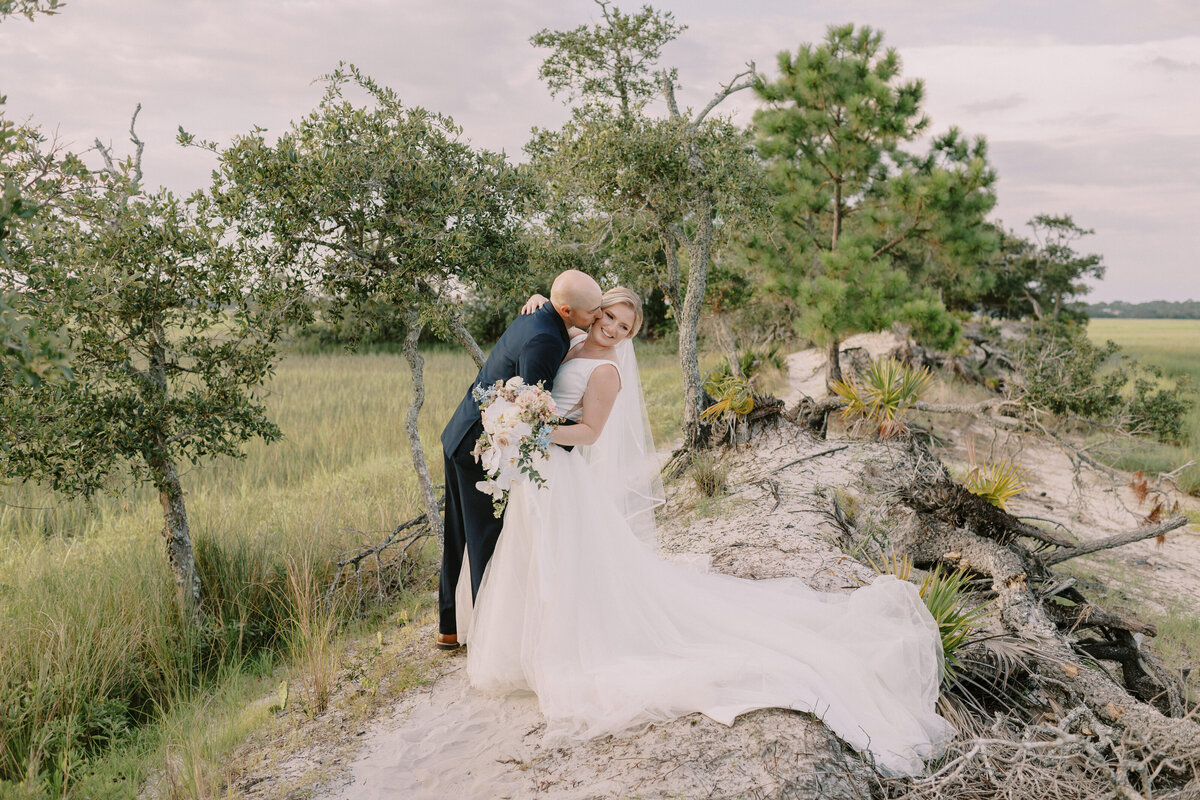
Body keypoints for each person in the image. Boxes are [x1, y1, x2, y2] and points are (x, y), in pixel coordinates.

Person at [461, 287, 955, 778]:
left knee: (564, 563)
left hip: (561, 474)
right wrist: (536, 301)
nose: (611, 329)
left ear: (631, 335)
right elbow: (558, 306)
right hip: (542, 476)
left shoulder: (607, 370)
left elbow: (589, 432)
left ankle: (565, 647)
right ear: (596, 313)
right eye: (608, 317)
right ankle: (528, 646)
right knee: (535, 556)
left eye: (623, 327)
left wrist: (532, 431)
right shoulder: (571, 340)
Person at [437, 269, 603, 651]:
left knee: (460, 538)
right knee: (484, 544)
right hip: (480, 448)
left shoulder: (543, 315)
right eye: (594, 309)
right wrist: (576, 434)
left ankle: (449, 627)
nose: (598, 315)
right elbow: (531, 412)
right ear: (566, 309)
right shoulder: (546, 338)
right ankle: (485, 642)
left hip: (462, 432)